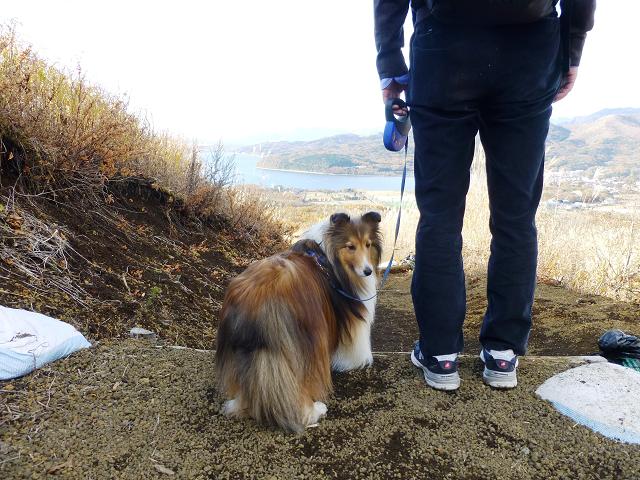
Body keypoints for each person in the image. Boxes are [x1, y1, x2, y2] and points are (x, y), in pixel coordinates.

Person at [374, 0, 596, 390]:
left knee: (439, 215)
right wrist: (571, 48)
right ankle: (503, 353)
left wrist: (390, 62)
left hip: (443, 48)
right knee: (516, 215)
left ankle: (440, 355)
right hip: (531, 51)